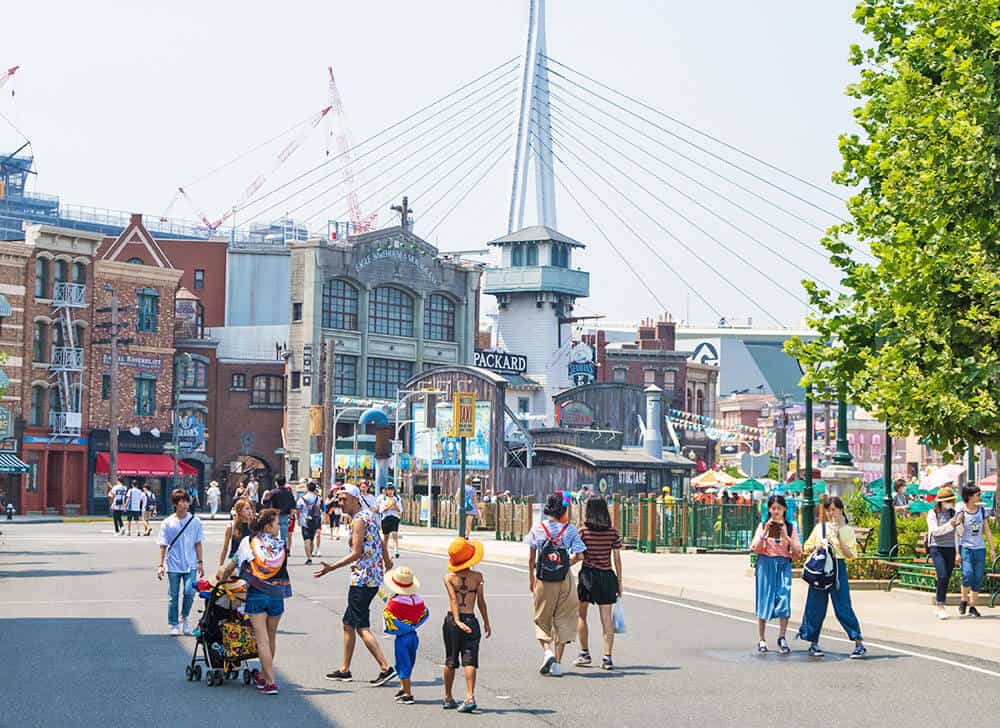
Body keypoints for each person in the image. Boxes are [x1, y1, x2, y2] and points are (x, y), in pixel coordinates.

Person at [314, 485, 396, 686]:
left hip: (363, 579)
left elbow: (356, 552)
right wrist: (386, 561)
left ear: (355, 500)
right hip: (371, 577)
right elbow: (379, 542)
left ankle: (385, 667)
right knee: (348, 623)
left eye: (344, 499)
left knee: (360, 625)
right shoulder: (370, 515)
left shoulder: (359, 520)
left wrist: (331, 567)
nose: (340, 503)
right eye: (339, 500)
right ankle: (345, 669)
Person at [216, 507, 291, 696]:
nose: (279, 527)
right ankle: (265, 676)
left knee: (262, 640)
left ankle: (270, 682)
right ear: (267, 526)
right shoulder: (281, 545)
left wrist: (222, 578)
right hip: (277, 595)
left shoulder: (248, 542)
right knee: (271, 637)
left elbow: (231, 565)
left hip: (257, 594)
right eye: (276, 523)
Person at [797, 495, 866, 659]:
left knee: (843, 606)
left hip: (838, 567)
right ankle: (813, 642)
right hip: (821, 568)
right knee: (815, 605)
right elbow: (806, 547)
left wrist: (839, 538)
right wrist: (816, 545)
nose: (830, 513)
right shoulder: (820, 528)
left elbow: (851, 555)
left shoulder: (847, 530)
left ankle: (858, 641)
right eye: (828, 510)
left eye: (833, 509)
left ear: (841, 510)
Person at [528, 492, 586, 677]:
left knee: (542, 618)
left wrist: (532, 578)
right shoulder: (570, 530)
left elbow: (531, 559)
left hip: (544, 578)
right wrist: (564, 564)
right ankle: (558, 664)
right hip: (564, 578)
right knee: (564, 618)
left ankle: (548, 652)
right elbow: (580, 555)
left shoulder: (538, 528)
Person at [442, 537, 491, 712]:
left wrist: (456, 621)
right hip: (470, 619)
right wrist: (486, 622)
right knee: (470, 659)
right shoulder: (478, 577)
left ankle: (448, 697)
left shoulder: (449, 578)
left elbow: (453, 599)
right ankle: (469, 696)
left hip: (452, 622)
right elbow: (481, 602)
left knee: (450, 658)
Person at [574, 496, 623, 670]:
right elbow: (617, 559)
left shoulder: (583, 532)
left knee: (581, 615)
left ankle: (584, 653)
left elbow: (578, 555)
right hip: (607, 576)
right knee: (606, 618)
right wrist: (619, 582)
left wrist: (564, 564)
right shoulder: (613, 532)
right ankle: (607, 657)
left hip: (587, 575)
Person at [750, 494, 802, 653]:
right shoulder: (763, 525)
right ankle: (761, 639)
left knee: (784, 598)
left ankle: (782, 636)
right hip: (766, 563)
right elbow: (755, 548)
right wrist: (765, 532)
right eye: (773, 508)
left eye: (779, 508)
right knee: (764, 599)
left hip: (783, 564)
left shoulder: (791, 526)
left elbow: (798, 552)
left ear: (784, 509)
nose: (776, 511)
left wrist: (786, 537)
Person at [156, 489, 204, 636]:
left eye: (186, 501)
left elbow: (198, 543)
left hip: (190, 564)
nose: (184, 504)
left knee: (189, 592)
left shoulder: (195, 521)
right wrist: (161, 565)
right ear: (175, 504)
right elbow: (163, 545)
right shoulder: (168, 523)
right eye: (181, 501)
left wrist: (200, 562)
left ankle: (184, 617)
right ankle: (174, 624)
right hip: (174, 564)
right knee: (173, 596)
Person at [383, 565, 430, 706]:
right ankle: (403, 688)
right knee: (409, 661)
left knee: (403, 664)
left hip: (402, 637)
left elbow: (388, 613)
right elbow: (424, 613)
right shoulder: (418, 600)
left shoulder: (394, 602)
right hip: (413, 635)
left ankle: (408, 694)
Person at [956, 483, 995, 617]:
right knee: (967, 575)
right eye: (977, 494)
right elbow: (957, 533)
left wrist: (992, 548)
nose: (980, 496)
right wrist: (957, 552)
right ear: (969, 496)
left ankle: (972, 606)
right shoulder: (962, 512)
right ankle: (963, 600)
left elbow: (987, 530)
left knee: (977, 577)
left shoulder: (982, 511)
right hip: (966, 548)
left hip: (980, 549)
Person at [926, 486, 960, 619]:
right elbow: (935, 531)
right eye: (948, 501)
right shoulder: (932, 513)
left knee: (946, 578)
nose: (950, 503)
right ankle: (940, 605)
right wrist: (950, 525)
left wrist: (958, 552)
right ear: (940, 501)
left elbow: (958, 534)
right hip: (937, 547)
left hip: (950, 548)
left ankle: (940, 602)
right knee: (943, 575)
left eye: (952, 500)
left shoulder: (954, 513)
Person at [220, 497, 255, 566]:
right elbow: (225, 548)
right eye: (247, 509)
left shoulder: (254, 525)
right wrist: (221, 566)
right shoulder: (231, 526)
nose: (250, 511)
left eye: (250, 508)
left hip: (251, 561)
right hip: (235, 561)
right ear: (239, 511)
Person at [296, 481, 323, 565]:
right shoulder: (318, 498)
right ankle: (310, 554)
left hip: (305, 521)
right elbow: (319, 509)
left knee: (306, 540)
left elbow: (298, 509)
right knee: (311, 540)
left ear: (307, 488)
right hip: (315, 521)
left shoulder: (302, 498)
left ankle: (309, 558)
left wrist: (298, 519)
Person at [268, 475, 297, 547]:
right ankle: (283, 551)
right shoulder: (289, 492)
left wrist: (265, 495)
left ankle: (275, 551)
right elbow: (293, 506)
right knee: (283, 537)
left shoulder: (273, 492)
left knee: (273, 536)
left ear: (276, 483)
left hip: (275, 516)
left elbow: (265, 502)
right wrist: (291, 517)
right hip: (285, 516)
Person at [378, 484, 403, 559]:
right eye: (389, 489)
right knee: (386, 537)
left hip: (394, 518)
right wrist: (390, 505)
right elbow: (382, 510)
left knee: (394, 534)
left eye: (392, 489)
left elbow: (400, 510)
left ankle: (396, 551)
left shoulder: (397, 498)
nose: (390, 491)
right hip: (386, 518)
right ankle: (384, 551)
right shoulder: (384, 498)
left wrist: (395, 506)